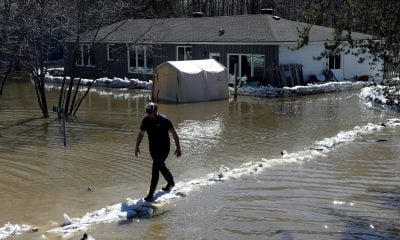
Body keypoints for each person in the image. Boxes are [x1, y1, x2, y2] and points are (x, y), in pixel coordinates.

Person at [135, 102, 181, 202]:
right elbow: (140, 134)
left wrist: (178, 147)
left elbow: (174, 133)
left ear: (155, 111)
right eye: (147, 113)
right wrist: (137, 146)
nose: (148, 115)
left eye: (150, 113)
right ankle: (171, 182)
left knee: (155, 167)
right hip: (153, 148)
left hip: (164, 148)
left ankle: (151, 195)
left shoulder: (164, 120)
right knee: (160, 166)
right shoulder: (145, 120)